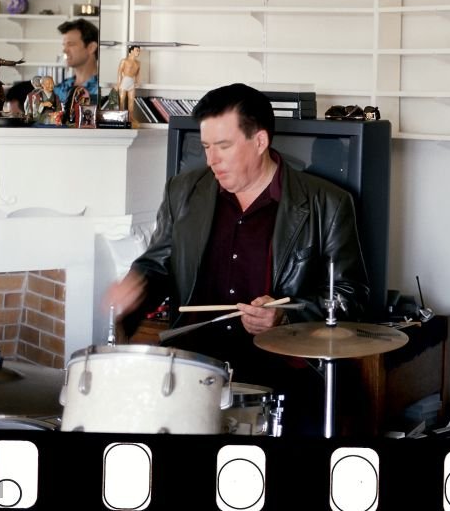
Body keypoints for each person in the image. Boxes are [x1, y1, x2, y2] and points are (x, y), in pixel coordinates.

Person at [105, 83, 369, 436]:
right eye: (206, 147)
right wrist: (133, 289)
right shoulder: (184, 191)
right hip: (193, 368)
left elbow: (351, 297)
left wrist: (283, 316)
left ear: (260, 142)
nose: (211, 160)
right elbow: (157, 265)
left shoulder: (328, 204)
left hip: (282, 374)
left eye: (224, 147)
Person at [54, 18, 99, 103]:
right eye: (64, 45)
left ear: (91, 48)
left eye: (70, 44)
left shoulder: (102, 91)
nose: (64, 50)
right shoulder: (59, 90)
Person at [116, 45, 141, 120]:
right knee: (121, 100)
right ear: (132, 51)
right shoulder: (124, 61)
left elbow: (138, 74)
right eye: (137, 50)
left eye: (139, 51)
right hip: (124, 81)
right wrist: (118, 83)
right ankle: (120, 117)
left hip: (131, 82)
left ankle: (130, 119)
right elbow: (119, 71)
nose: (138, 52)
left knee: (131, 101)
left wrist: (137, 82)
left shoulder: (138, 63)